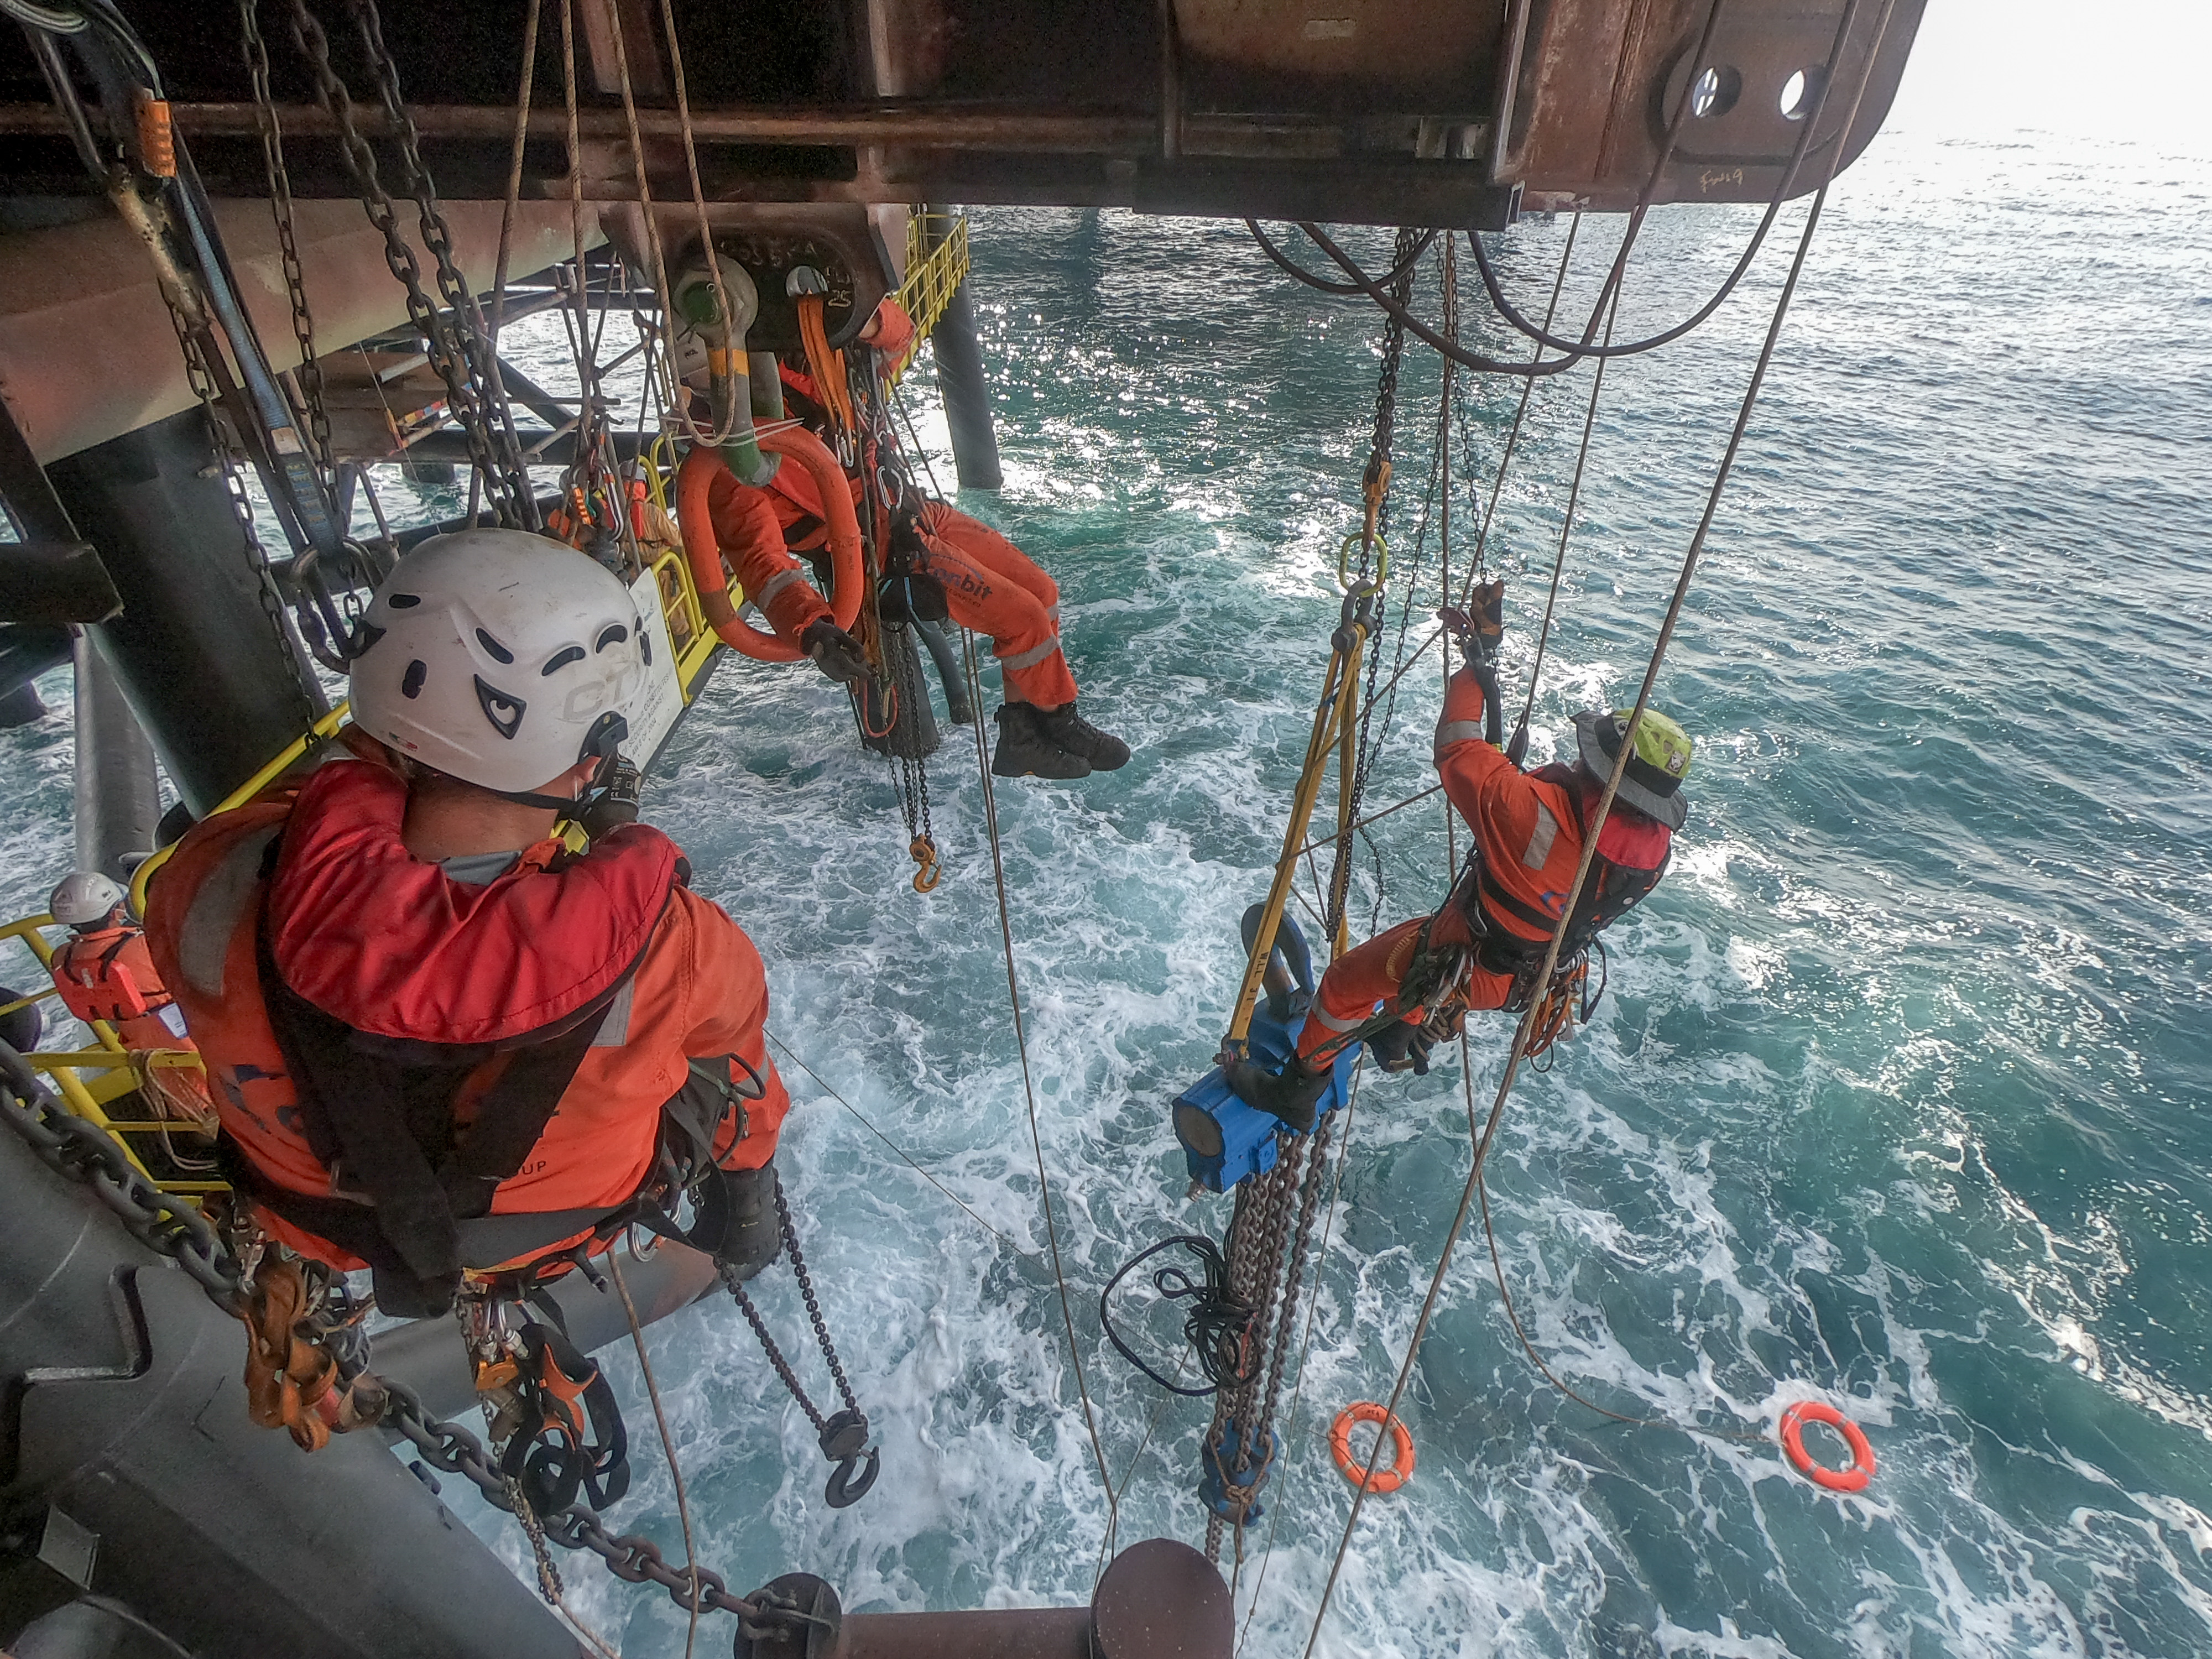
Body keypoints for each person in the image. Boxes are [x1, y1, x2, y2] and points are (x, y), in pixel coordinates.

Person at [144, 529, 794, 1317]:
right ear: (590, 757)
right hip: (556, 1228)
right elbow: (746, 1076)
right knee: (709, 1055)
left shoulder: (204, 870)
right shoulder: (674, 944)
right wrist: (748, 1193)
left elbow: (325, 866)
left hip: (311, 1215)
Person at [1227, 582, 1693, 1130]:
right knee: (1441, 944)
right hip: (1539, 976)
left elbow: (1458, 745)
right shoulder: (1651, 857)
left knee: (1346, 985)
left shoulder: (1527, 813)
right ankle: (1401, 1030)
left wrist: (1480, 655)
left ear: (1598, 770)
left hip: (1471, 964)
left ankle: (1297, 1090)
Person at [697, 297, 1131, 780]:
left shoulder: (833, 365)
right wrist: (812, 629)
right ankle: (1058, 720)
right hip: (884, 551)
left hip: (912, 511)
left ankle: (1022, 735)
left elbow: (900, 336)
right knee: (1024, 618)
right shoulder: (728, 458)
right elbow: (763, 564)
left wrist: (863, 320)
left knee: (1043, 593)